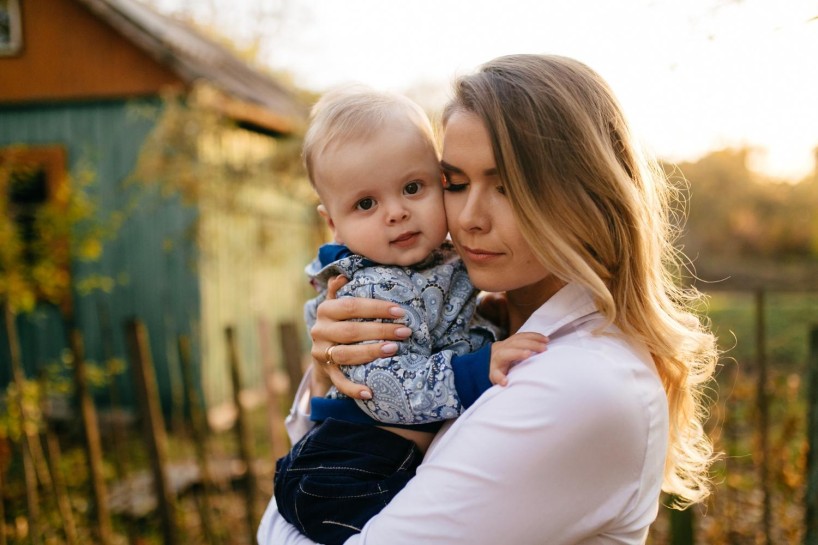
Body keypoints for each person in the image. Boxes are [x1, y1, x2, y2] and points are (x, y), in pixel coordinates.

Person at [260, 54, 719, 545]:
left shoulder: (578, 383)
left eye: (507, 188)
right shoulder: (479, 322)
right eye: (454, 184)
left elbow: (286, 529)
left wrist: (284, 508)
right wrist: (334, 370)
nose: (470, 217)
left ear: (586, 195)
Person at [273, 86, 549, 545]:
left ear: (437, 181)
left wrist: (488, 316)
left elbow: (438, 320)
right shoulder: (375, 290)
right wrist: (477, 368)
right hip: (352, 462)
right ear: (332, 223)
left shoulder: (436, 261)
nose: (397, 213)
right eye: (366, 203)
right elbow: (389, 390)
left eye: (412, 188)